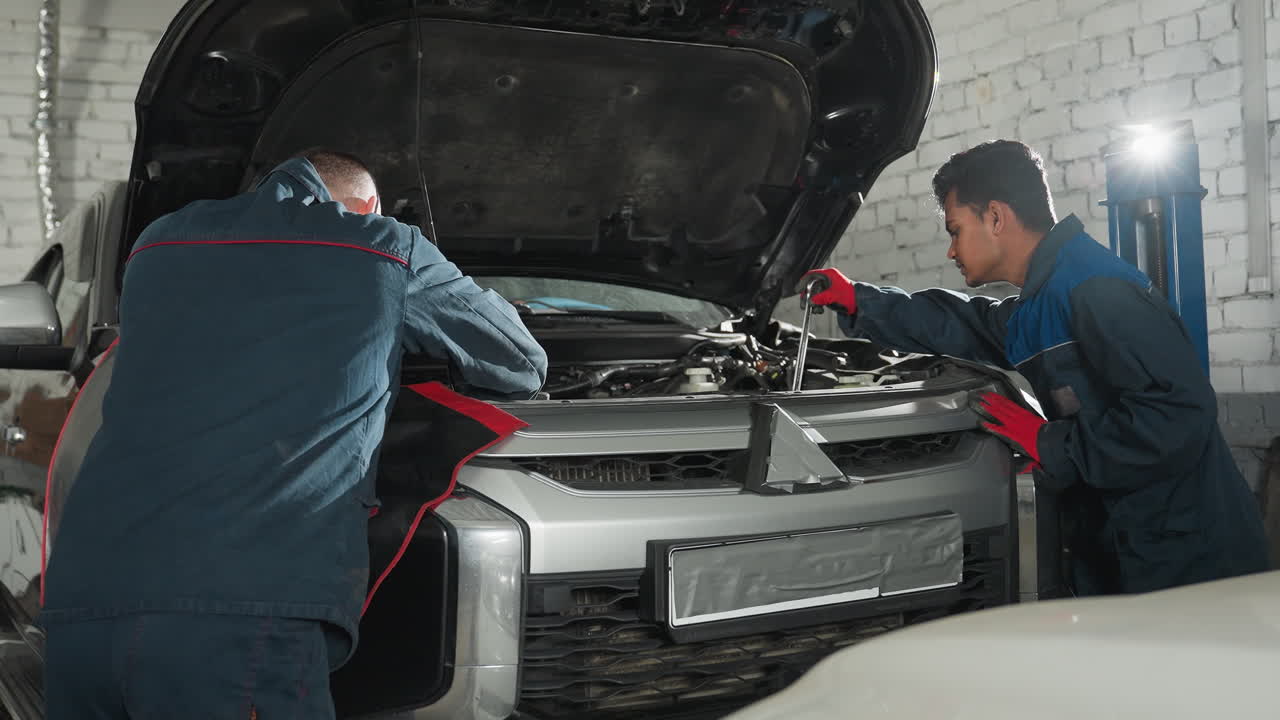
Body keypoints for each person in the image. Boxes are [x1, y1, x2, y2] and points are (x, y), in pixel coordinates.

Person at [40, 150, 547, 718]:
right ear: (364, 206)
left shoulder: (159, 242)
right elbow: (517, 360)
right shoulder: (380, 244)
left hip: (83, 603)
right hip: (240, 609)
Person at [803, 139, 1269, 596]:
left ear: (996, 217)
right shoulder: (1045, 300)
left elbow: (1178, 413)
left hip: (1190, 563)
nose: (951, 250)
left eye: (954, 230)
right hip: (1129, 551)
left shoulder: (1097, 290)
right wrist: (857, 300)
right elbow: (965, 324)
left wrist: (1051, 444)